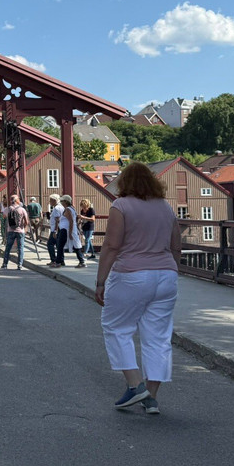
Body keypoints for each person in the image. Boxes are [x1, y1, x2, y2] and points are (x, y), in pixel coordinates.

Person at [95, 162, 180, 416]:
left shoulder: (120, 206)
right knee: (158, 336)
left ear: (124, 183)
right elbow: (176, 246)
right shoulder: (166, 207)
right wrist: (171, 273)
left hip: (132, 275)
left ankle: (134, 385)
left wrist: (101, 281)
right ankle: (151, 398)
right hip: (166, 275)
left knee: (117, 327)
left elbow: (111, 245)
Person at [1, 194, 29, 271]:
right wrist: (24, 227)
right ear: (17, 201)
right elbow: (26, 221)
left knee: (8, 248)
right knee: (20, 248)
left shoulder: (7, 209)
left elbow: (4, 217)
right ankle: (19, 265)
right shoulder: (22, 209)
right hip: (20, 231)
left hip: (10, 231)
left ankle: (5, 264)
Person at [62, 194, 87, 268]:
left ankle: (81, 261)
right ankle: (81, 261)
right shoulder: (72, 208)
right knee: (76, 245)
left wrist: (70, 232)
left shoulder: (68, 209)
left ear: (66, 202)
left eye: (62, 201)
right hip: (72, 229)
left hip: (71, 229)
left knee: (75, 245)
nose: (61, 202)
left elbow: (71, 221)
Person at [46, 195, 66, 267]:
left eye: (51, 200)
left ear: (54, 200)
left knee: (50, 244)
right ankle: (61, 260)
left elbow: (57, 220)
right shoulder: (61, 207)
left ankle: (54, 260)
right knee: (59, 245)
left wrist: (55, 230)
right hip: (61, 228)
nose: (50, 202)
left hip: (56, 229)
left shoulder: (57, 208)